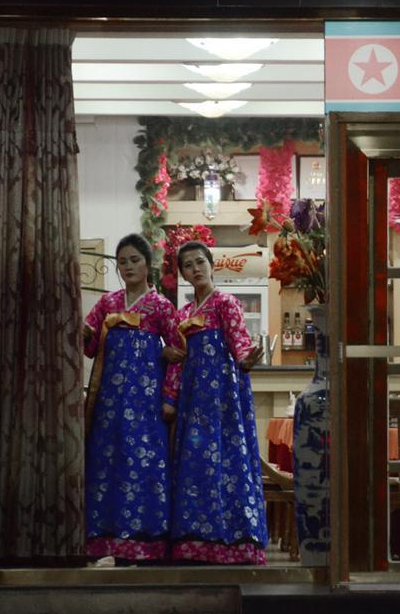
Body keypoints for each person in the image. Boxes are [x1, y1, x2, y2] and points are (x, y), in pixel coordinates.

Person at [164, 241, 267, 564]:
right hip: (192, 403)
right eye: (189, 265)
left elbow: (240, 343)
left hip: (223, 401)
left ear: (212, 264)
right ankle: (193, 540)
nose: (196, 269)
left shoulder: (226, 303)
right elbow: (176, 360)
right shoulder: (182, 315)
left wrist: (248, 359)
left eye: (200, 262)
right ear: (182, 273)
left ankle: (233, 539)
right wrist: (169, 396)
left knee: (227, 460)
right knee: (194, 462)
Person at [82, 233, 180, 562]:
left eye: (134, 260)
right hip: (110, 404)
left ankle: (146, 544)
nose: (128, 267)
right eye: (122, 262)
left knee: (145, 465)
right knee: (107, 464)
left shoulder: (162, 306)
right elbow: (89, 344)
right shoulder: (108, 304)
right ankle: (105, 542)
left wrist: (169, 397)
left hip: (147, 405)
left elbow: (180, 353)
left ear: (148, 264)